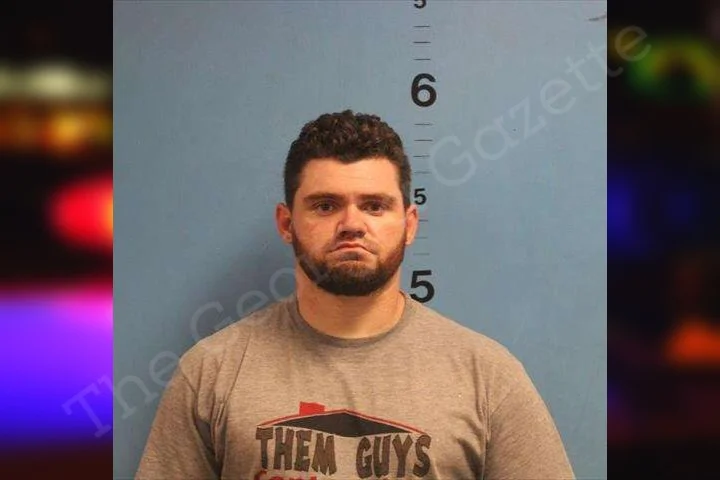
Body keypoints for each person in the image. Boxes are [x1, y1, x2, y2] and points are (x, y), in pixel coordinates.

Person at [135, 110, 575, 480]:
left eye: (374, 206)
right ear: (286, 223)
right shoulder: (212, 372)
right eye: (325, 205)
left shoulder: (488, 378)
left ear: (409, 224)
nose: (351, 224)